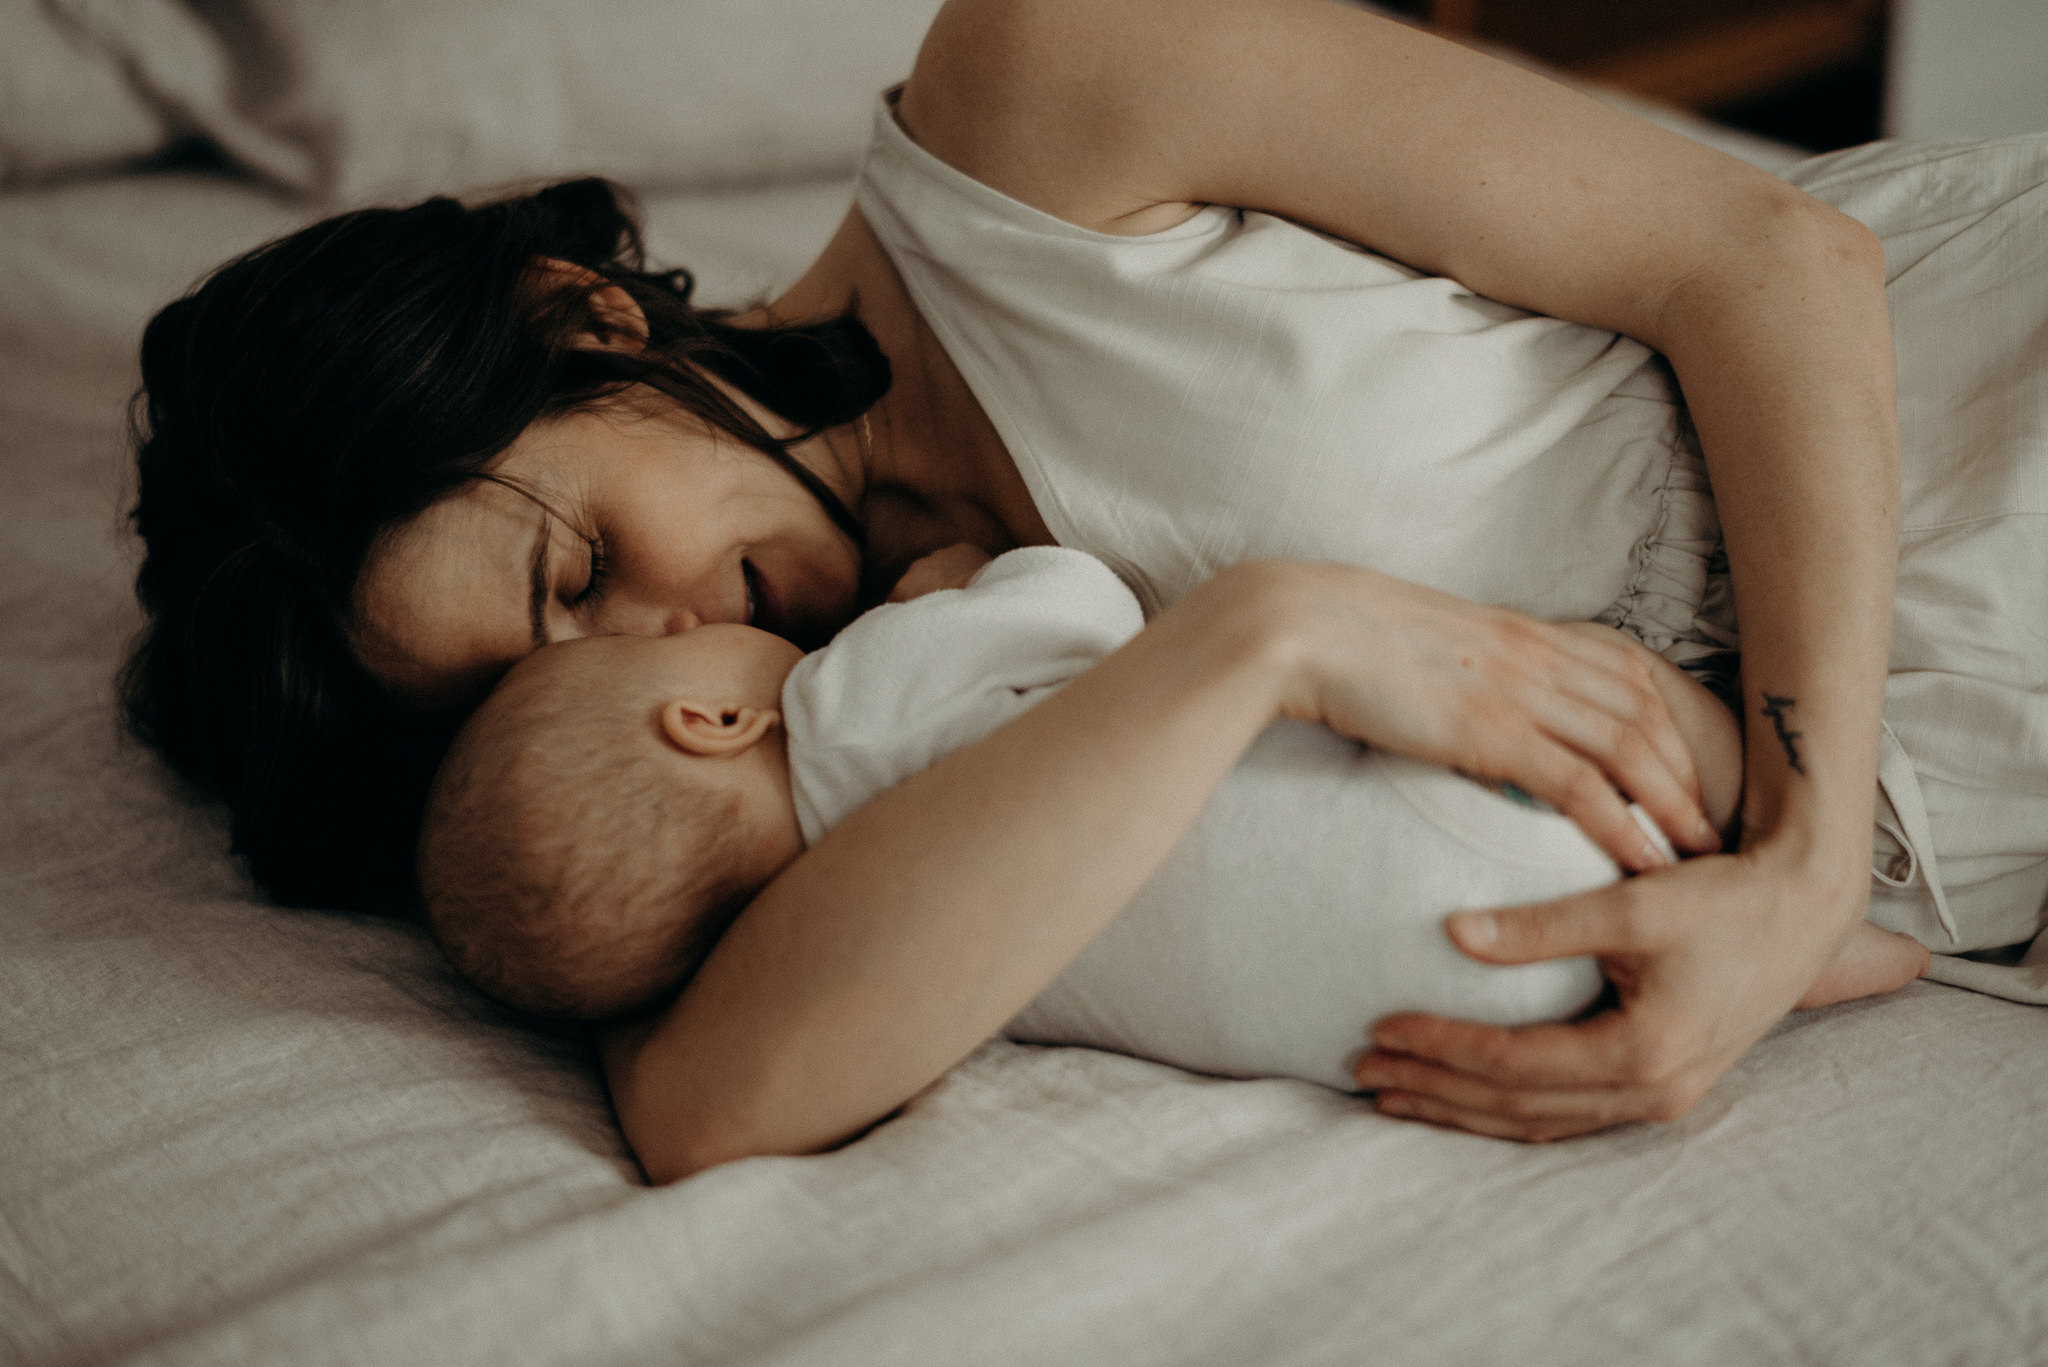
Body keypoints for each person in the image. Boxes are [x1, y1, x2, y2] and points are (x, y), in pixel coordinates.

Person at [119, 0, 2048, 1176]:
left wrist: (1796, 872)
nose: (667, 646)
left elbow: (1778, 263)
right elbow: (709, 1107)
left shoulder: (1035, 103)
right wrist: (1265, 637)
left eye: (580, 565)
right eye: (535, 688)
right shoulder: (819, 747)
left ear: (584, 319)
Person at [419, 543, 1927, 1092]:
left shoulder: (896, 954)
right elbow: (1078, 609)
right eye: (626, 636)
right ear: (708, 718)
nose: (675, 617)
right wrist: (957, 582)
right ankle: (1827, 870)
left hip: (1458, 1001)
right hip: (1491, 800)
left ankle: (1844, 956)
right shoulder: (849, 699)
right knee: (1620, 714)